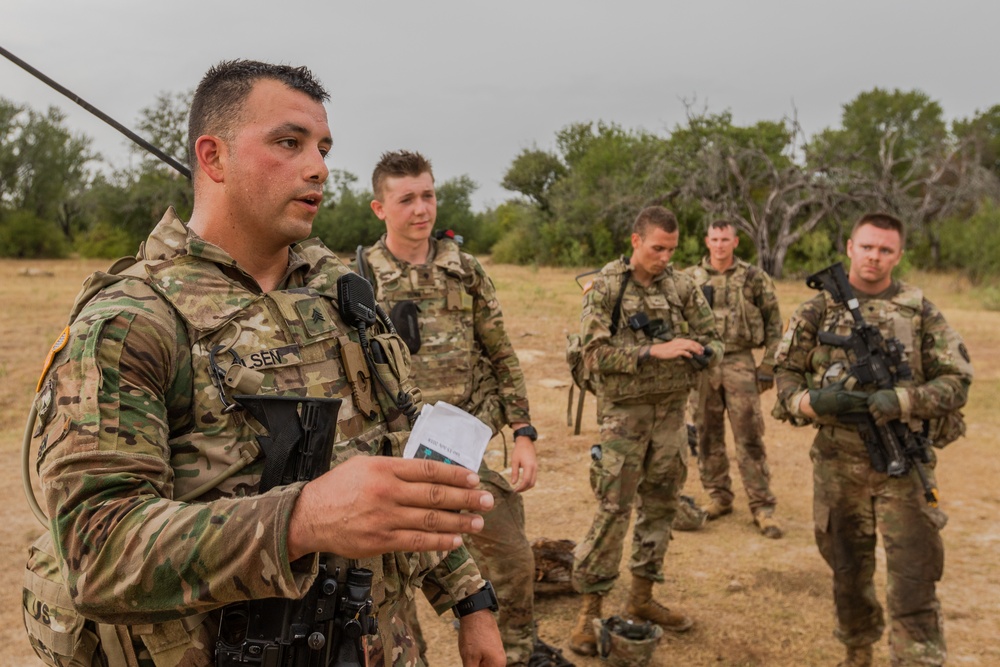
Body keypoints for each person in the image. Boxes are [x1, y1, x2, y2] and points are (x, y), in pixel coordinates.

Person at [27, 60, 505, 667]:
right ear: (214, 157)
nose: (319, 168)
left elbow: (402, 459)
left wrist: (471, 602)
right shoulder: (130, 323)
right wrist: (303, 519)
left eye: (324, 148)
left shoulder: (342, 294)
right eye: (289, 142)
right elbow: (95, 556)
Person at [358, 150, 556, 667]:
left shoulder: (465, 272)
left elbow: (501, 352)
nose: (421, 209)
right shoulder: (358, 278)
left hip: (470, 449)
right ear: (380, 208)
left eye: (428, 195)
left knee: (513, 561)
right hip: (397, 456)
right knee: (398, 585)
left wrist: (525, 432)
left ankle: (515, 654)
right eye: (407, 199)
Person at [772, 213, 972, 667]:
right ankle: (856, 653)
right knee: (848, 573)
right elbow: (783, 378)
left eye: (885, 250)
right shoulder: (817, 309)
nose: (874, 257)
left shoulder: (918, 309)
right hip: (838, 466)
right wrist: (813, 403)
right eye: (867, 247)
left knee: (915, 575)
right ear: (849, 246)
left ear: (898, 256)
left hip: (903, 466)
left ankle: (917, 658)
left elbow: (957, 382)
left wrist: (902, 400)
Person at [568, 206, 723, 657]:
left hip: (673, 416)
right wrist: (655, 351)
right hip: (624, 417)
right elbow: (595, 355)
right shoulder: (606, 287)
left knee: (661, 506)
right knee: (614, 510)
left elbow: (715, 338)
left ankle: (641, 597)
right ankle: (590, 608)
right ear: (636, 241)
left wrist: (703, 353)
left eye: (672, 249)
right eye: (658, 248)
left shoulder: (682, 286)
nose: (664, 257)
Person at [684, 220, 784, 537]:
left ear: (735, 242)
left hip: (740, 360)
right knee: (706, 435)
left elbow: (774, 325)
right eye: (714, 239)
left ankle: (762, 506)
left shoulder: (754, 278)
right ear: (706, 241)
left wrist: (768, 365)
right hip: (702, 364)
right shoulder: (689, 278)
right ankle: (719, 496)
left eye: (725, 239)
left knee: (749, 435)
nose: (719, 245)